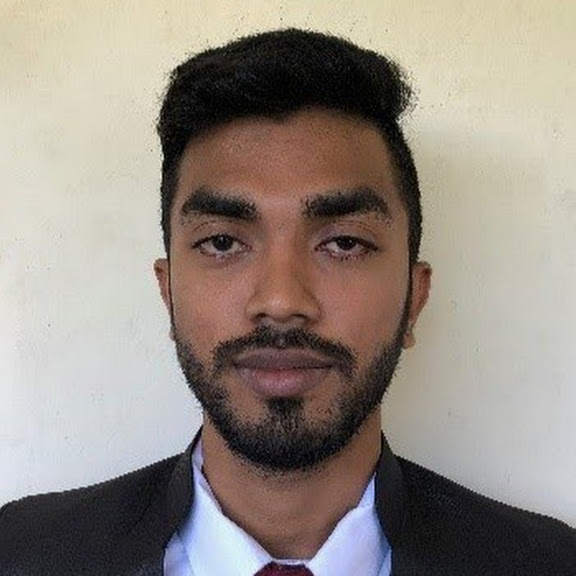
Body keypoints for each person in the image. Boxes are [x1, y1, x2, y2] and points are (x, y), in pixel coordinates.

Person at [0, 28, 574, 576]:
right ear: (168, 292)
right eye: (222, 243)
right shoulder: (19, 554)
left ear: (414, 299)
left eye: (343, 243)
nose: (279, 301)